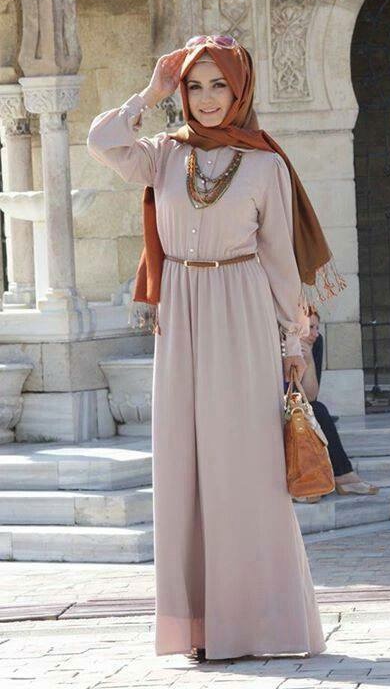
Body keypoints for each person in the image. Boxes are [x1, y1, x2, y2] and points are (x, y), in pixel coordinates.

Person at [87, 35, 345, 663]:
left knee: (246, 470)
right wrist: (150, 92)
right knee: (184, 469)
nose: (206, 99)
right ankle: (201, 626)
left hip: (243, 312)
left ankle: (261, 625)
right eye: (194, 85)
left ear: (240, 90)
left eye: (218, 85)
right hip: (180, 315)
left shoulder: (265, 166)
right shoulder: (162, 155)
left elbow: (280, 260)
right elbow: (102, 141)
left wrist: (293, 342)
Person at [296, 308, 378, 499]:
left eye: (317, 328)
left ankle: (341, 475)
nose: (315, 333)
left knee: (317, 410)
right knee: (314, 413)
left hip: (299, 404)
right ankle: (337, 477)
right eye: (310, 328)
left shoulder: (315, 343)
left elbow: (311, 396)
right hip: (273, 404)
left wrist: (308, 361)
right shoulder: (279, 345)